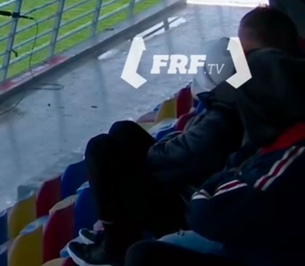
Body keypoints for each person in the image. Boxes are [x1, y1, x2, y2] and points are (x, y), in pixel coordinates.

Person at [67, 36, 244, 266]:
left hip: (188, 210)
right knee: (123, 131)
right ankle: (120, 232)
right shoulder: (235, 108)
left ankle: (116, 244)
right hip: (195, 192)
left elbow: (160, 160)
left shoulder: (219, 124)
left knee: (101, 151)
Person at [125, 45, 305, 266]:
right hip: (265, 242)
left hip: (260, 251)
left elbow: (203, 213)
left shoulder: (283, 166)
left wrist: (221, 180)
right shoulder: (280, 141)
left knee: (143, 255)